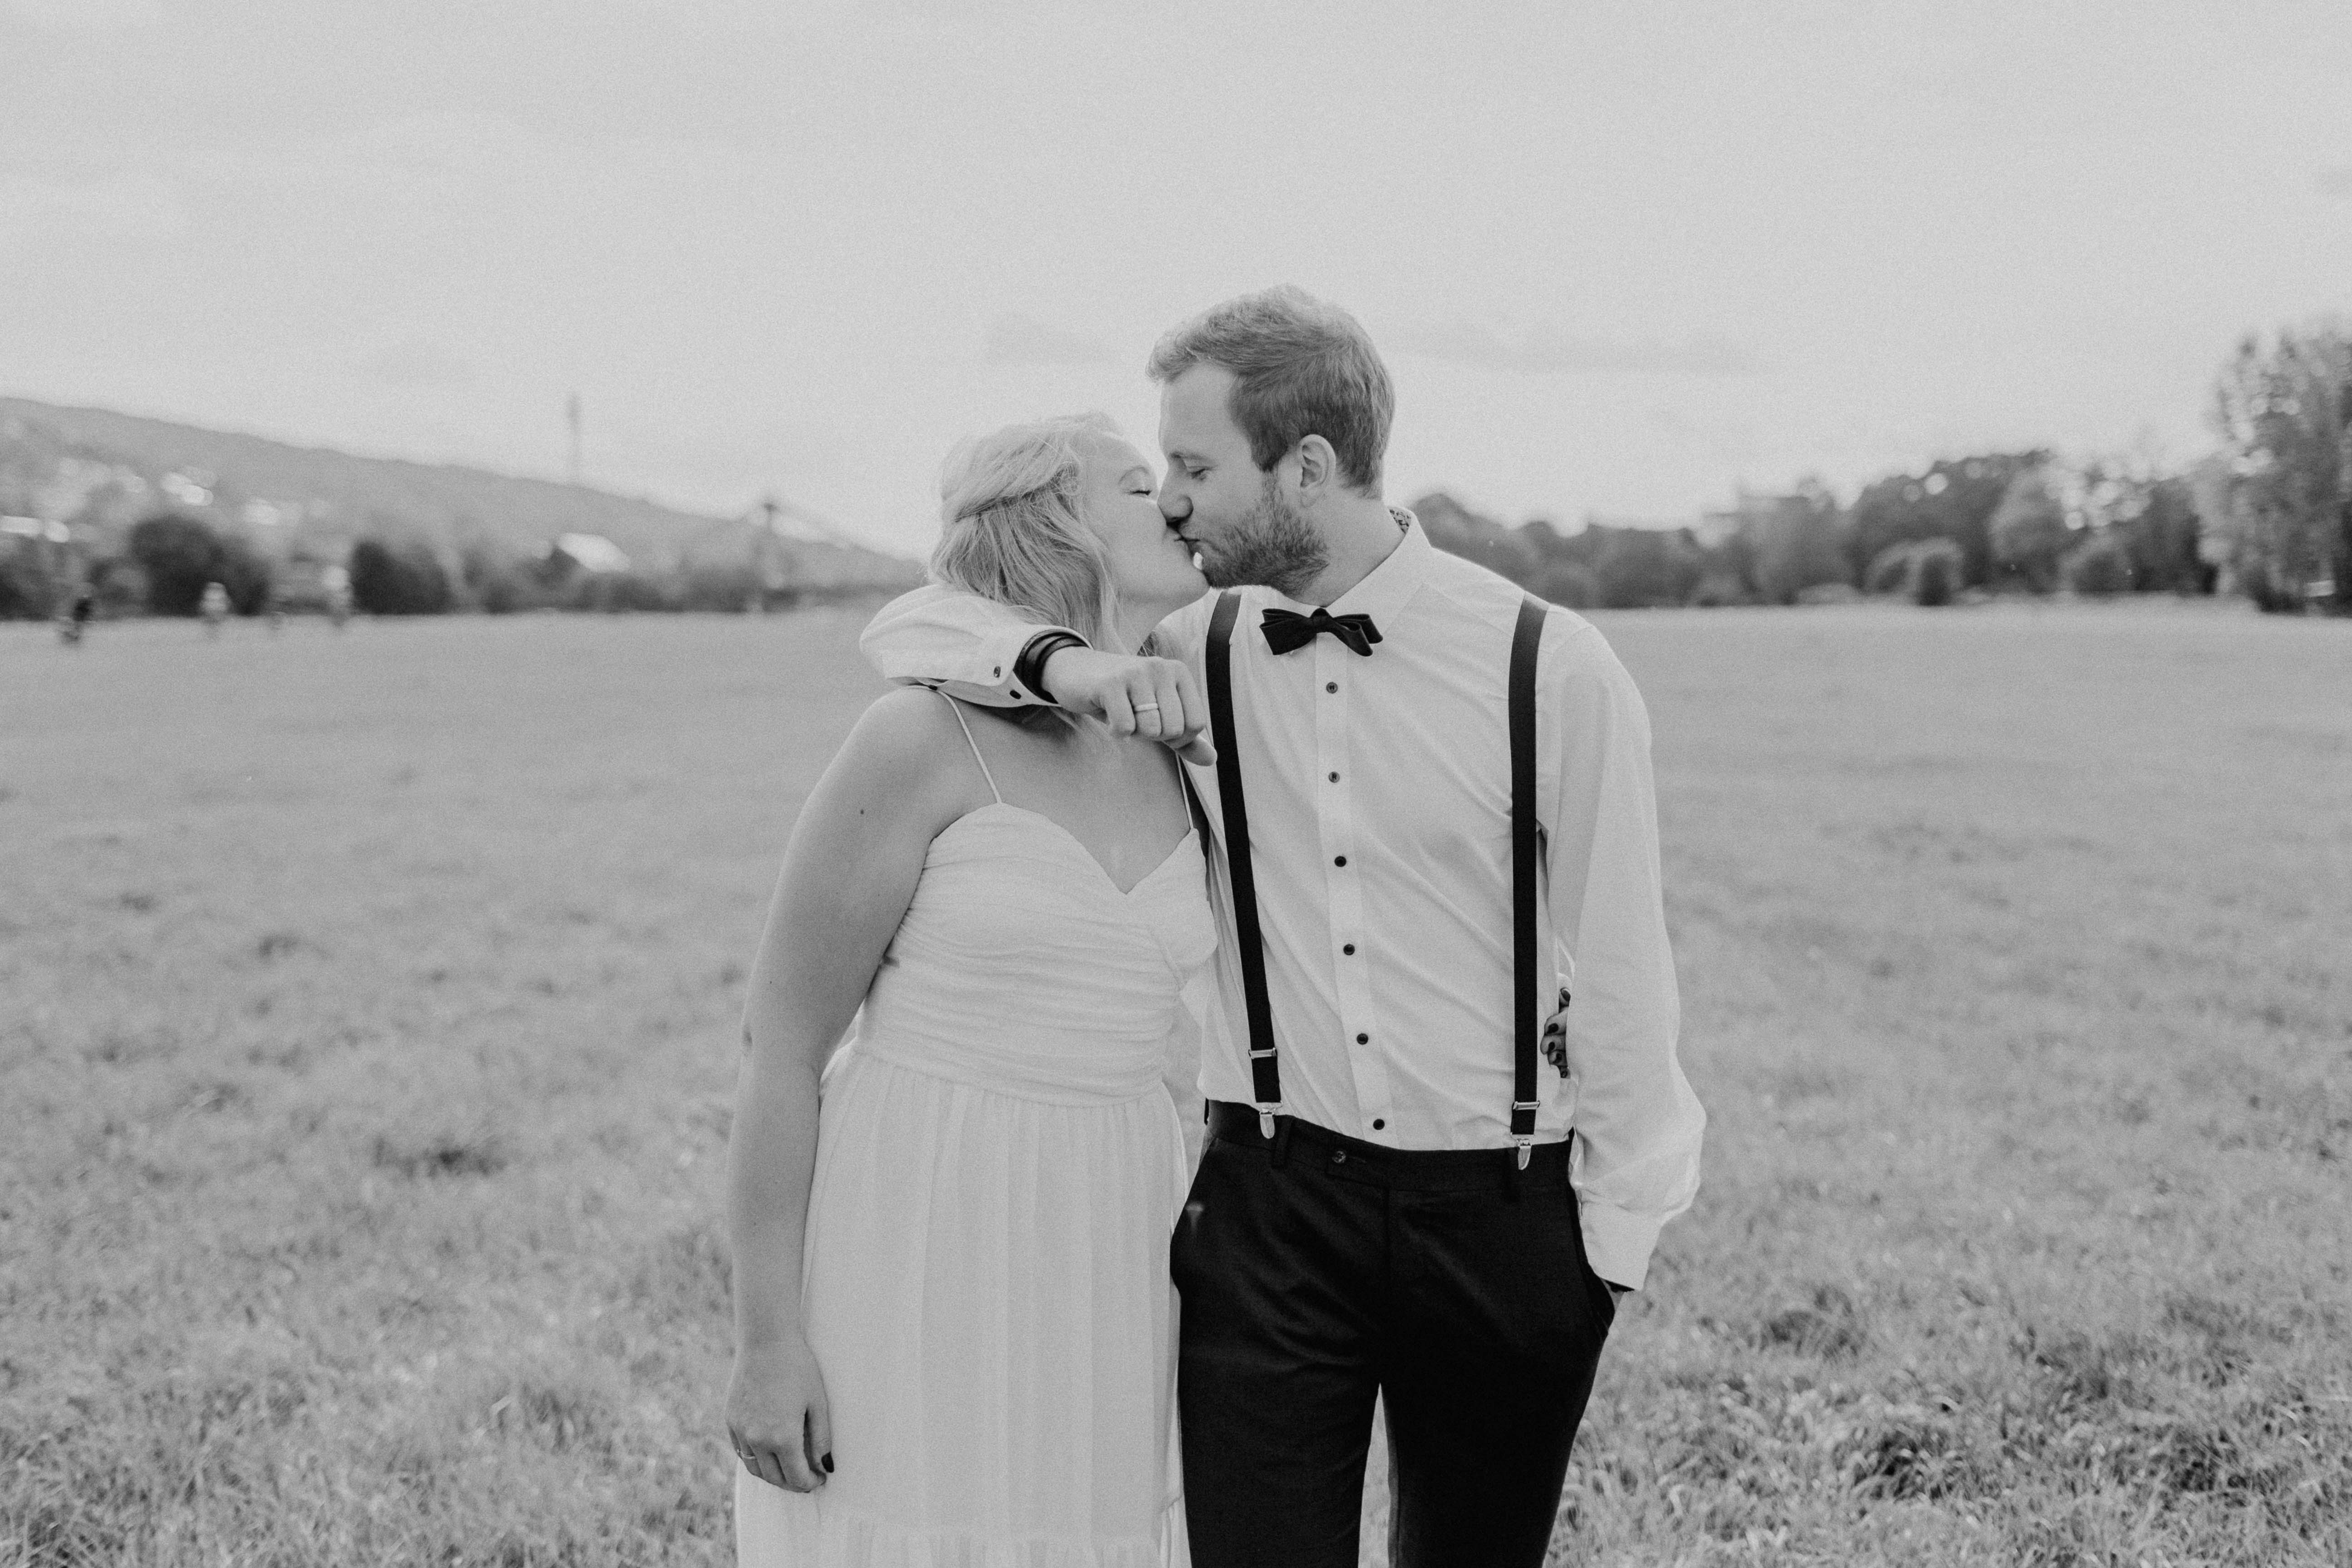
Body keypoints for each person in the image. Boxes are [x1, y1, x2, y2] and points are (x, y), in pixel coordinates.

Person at [860, 286, 1706, 1568]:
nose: (1177, 502)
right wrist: (1066, 665)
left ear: (1306, 466)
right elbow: (922, 625)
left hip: (1504, 1220)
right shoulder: (1186, 648)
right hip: (1269, 1214)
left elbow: (1631, 977)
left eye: (1195, 466)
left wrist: (1602, 1254)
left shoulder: (1554, 667)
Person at [727, 413, 1215, 1567]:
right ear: (1056, 525)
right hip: (921, 1213)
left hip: (1116, 1227)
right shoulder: (916, 737)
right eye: (1141, 485)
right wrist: (766, 1341)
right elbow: (781, 1047)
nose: (1178, 506)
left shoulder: (1186, 725)